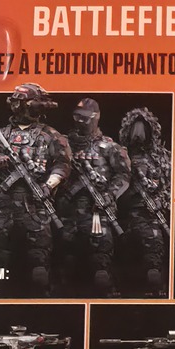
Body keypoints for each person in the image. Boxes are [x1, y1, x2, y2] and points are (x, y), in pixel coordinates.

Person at [0, 84, 70, 294]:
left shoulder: (51, 135)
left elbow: (63, 165)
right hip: (2, 208)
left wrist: (48, 185)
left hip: (35, 207)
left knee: (39, 268)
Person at [55, 98, 130, 295]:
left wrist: (109, 195)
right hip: (68, 212)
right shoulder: (63, 143)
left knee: (101, 267)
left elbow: (124, 175)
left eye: (85, 118)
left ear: (96, 118)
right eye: (77, 117)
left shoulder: (109, 147)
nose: (81, 122)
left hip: (97, 213)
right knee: (66, 264)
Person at [116, 106, 171, 295]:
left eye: (142, 129)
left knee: (153, 264)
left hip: (150, 216)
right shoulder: (120, 156)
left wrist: (160, 201)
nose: (138, 135)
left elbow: (167, 186)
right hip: (123, 217)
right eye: (135, 129)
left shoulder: (161, 158)